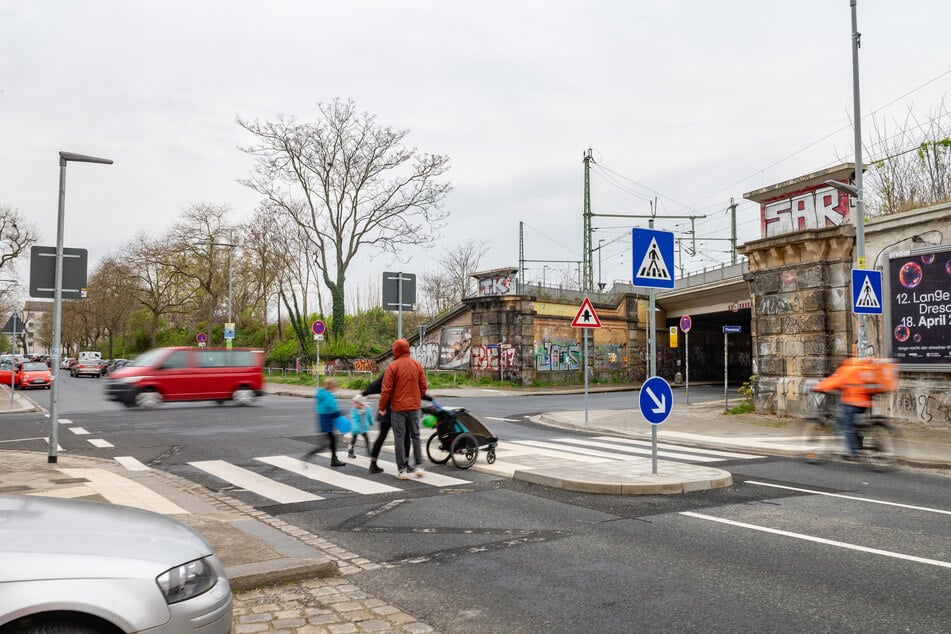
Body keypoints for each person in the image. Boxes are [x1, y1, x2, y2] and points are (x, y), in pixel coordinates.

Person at [814, 353, 896, 460]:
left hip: (852, 403)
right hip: (865, 403)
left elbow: (833, 382)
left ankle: (853, 453)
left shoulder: (846, 369)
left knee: (845, 426)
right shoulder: (860, 367)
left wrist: (818, 387)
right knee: (854, 424)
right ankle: (858, 442)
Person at [379, 338, 428, 479]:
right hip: (414, 407)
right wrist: (417, 397)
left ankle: (402, 470)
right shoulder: (417, 365)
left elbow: (386, 390)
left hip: (398, 408)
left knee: (399, 438)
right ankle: (419, 466)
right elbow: (423, 385)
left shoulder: (393, 366)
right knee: (416, 436)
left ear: (396, 350)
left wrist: (382, 407)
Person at [302, 377, 346, 467]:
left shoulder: (322, 394)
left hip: (324, 420)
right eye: (334, 386)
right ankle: (307, 456)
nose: (335, 388)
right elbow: (332, 410)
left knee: (331, 441)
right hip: (327, 421)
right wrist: (342, 413)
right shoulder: (328, 396)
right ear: (331, 386)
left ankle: (334, 459)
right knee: (324, 444)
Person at [347, 394, 374, 458]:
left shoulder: (367, 409)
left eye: (357, 403)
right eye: (354, 403)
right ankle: (350, 452)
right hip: (356, 428)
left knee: (366, 439)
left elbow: (369, 417)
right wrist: (355, 428)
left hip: (363, 427)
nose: (355, 405)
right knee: (353, 439)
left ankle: (368, 451)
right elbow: (353, 420)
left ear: (361, 403)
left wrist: (371, 423)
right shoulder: (354, 410)